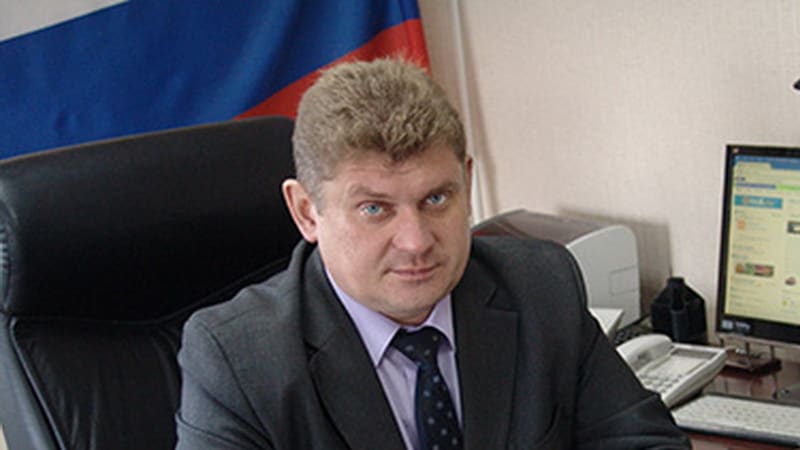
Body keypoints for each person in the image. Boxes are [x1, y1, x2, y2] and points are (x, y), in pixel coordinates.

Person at [175, 58, 690, 449]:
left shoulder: (539, 288)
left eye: (436, 199)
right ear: (307, 212)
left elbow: (646, 441)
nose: (416, 241)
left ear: (467, 182)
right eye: (375, 209)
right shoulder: (238, 359)